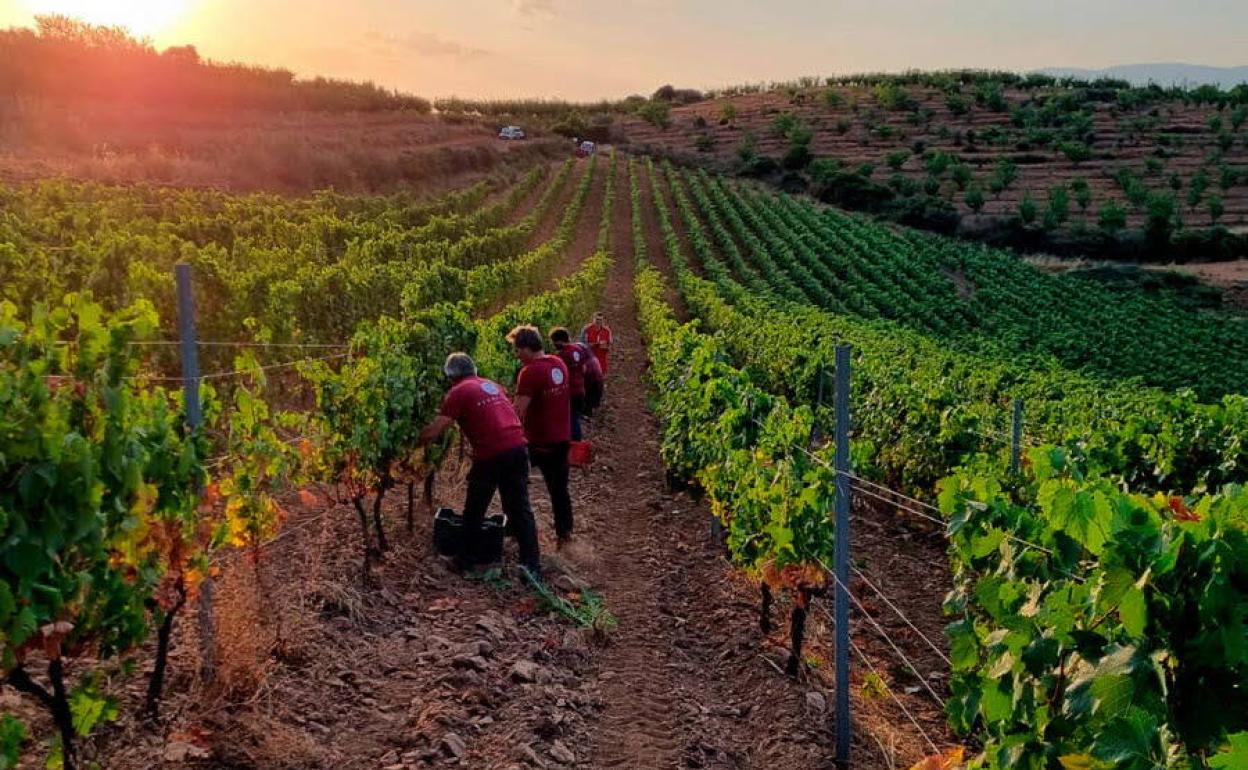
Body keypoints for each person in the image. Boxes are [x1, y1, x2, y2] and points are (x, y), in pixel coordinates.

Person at [418, 352, 540, 577]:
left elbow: (436, 430)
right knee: (520, 507)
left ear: (451, 377)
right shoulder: (491, 385)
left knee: (475, 508)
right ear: (473, 370)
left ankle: (465, 560)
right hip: (519, 448)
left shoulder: (458, 392)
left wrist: (412, 443)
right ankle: (531, 565)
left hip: (492, 453)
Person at [508, 325, 575, 545]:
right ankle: (565, 535)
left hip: (538, 442)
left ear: (526, 348)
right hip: (562, 437)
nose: (516, 356)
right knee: (559, 490)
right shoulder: (559, 363)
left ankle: (517, 530)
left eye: (517, 351)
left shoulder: (530, 372)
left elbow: (518, 411)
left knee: (513, 482)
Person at [550, 327, 588, 440]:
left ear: (559, 341)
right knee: (575, 418)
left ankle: (576, 446)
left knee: (571, 420)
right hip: (581, 389)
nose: (553, 344)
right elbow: (584, 369)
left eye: (553, 342)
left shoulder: (561, 356)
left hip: (570, 393)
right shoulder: (579, 348)